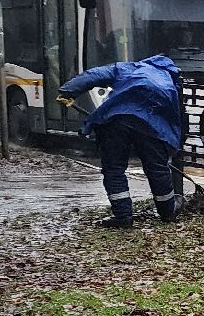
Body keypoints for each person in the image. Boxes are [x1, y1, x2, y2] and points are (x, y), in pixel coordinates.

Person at [59, 55, 185, 229]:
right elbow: (177, 116)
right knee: (157, 168)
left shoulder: (128, 68)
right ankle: (167, 212)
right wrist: (175, 144)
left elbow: (94, 75)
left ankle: (123, 216)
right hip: (152, 125)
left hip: (116, 119)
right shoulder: (171, 79)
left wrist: (67, 91)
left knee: (114, 169)